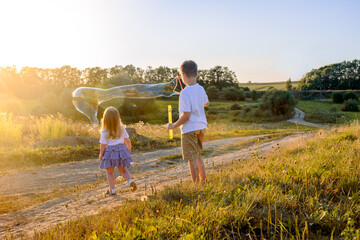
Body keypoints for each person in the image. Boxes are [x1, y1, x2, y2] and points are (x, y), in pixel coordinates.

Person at [167, 60, 209, 182]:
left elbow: (186, 116)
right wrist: (197, 102)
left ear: (183, 75)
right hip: (201, 128)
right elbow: (206, 103)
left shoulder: (184, 93)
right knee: (198, 155)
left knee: (191, 158)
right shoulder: (201, 89)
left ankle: (195, 183)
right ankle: (203, 180)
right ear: (197, 74)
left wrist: (173, 125)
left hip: (189, 129)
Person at [99, 106, 137, 195]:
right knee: (123, 170)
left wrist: (101, 154)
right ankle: (130, 180)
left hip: (110, 153)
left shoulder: (105, 131)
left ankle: (112, 190)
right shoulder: (122, 128)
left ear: (105, 119)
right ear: (117, 118)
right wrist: (129, 148)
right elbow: (127, 140)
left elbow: (103, 145)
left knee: (109, 172)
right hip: (121, 151)